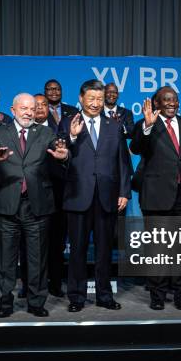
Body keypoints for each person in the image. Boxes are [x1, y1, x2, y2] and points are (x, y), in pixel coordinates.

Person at [0, 93, 69, 318]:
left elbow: (59, 150)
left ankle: (36, 301)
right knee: (6, 259)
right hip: (7, 205)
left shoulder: (46, 132)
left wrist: (63, 155)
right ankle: (5, 300)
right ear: (13, 110)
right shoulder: (0, 131)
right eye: (24, 108)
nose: (29, 112)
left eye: (32, 108)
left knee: (36, 258)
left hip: (36, 206)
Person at [130, 86, 181, 311]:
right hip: (156, 197)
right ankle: (157, 294)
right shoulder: (146, 123)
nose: (172, 103)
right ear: (157, 103)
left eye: (175, 99)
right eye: (166, 100)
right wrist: (146, 125)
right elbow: (136, 148)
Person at [60, 79, 132, 313]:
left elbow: (123, 161)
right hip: (78, 195)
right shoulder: (67, 122)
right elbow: (59, 155)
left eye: (99, 99)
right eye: (91, 98)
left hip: (107, 196)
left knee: (104, 251)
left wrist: (124, 191)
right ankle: (77, 296)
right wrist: (71, 137)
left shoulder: (114, 126)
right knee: (78, 250)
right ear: (81, 99)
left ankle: (104, 295)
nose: (95, 103)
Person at [33, 93, 66, 297]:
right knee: (31, 244)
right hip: (31, 196)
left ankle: (55, 283)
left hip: (57, 196)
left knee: (56, 243)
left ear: (49, 108)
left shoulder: (60, 131)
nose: (39, 108)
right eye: (35, 105)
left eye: (44, 104)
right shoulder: (22, 131)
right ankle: (31, 284)